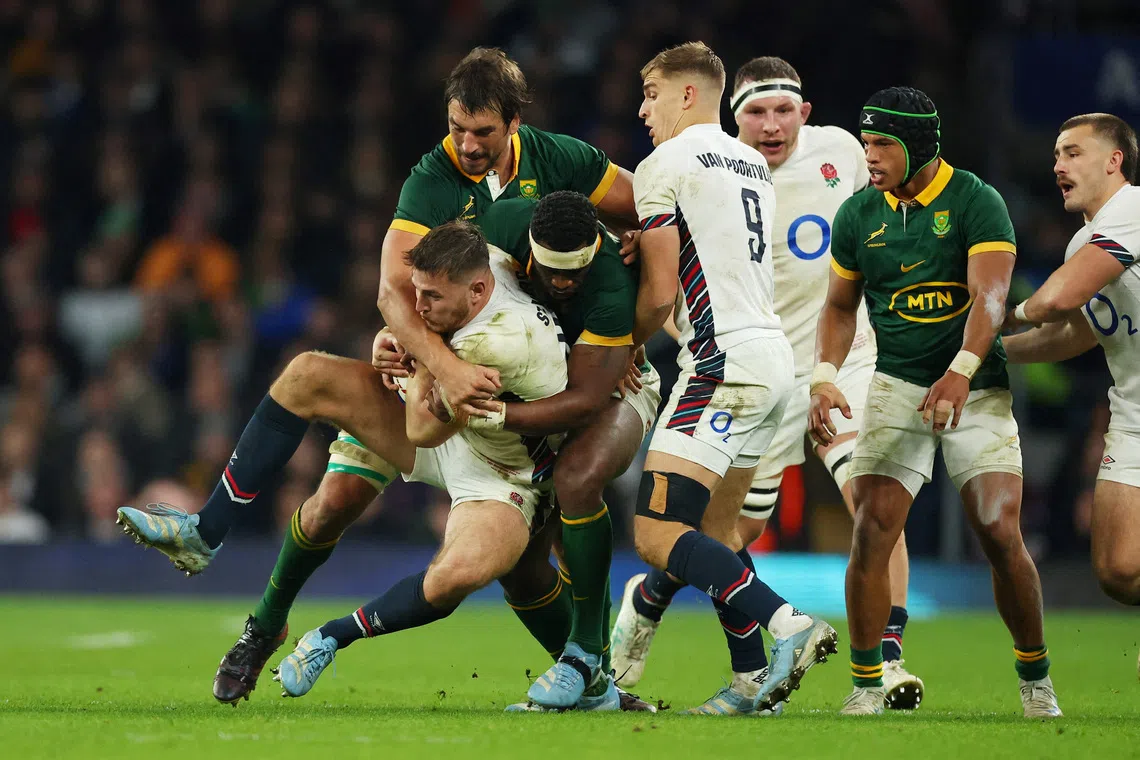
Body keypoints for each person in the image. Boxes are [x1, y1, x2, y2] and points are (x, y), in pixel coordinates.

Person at [114, 47, 648, 709]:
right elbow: (395, 292)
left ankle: (590, 677)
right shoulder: (434, 177)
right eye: (457, 128)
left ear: (515, 123)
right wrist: (431, 358)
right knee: (327, 475)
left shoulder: (559, 165)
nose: (467, 144)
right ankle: (241, 588)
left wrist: (639, 265)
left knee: (514, 567)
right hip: (443, 384)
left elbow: (649, 208)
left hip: (511, 432)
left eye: (482, 132)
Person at [611, 57, 923, 713]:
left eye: (784, 110)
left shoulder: (832, 153)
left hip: (832, 360)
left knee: (871, 499)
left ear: (806, 114)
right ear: (731, 114)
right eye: (756, 111)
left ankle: (877, 660)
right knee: (726, 534)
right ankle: (692, 627)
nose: (771, 124)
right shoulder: (733, 170)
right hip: (768, 363)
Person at [810, 86, 1061, 718]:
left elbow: (992, 299)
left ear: (917, 145)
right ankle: (867, 684)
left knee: (1000, 532)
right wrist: (824, 374)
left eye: (882, 144)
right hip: (897, 385)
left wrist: (961, 370)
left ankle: (1036, 678)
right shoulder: (858, 214)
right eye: (865, 143)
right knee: (871, 529)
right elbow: (839, 308)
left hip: (975, 389)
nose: (870, 156)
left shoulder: (976, 200)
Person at [626, 41, 837, 716]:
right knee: (718, 535)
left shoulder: (661, 164)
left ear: (689, 94)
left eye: (652, 92)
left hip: (720, 364)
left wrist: (622, 351)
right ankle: (753, 684)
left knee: (657, 534)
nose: (642, 108)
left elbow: (661, 295)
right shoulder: (750, 162)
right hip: (775, 360)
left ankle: (786, 624)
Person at [470, 191, 663, 709]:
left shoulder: (609, 282)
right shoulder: (499, 223)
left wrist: (499, 415)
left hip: (616, 390)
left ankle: (582, 655)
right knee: (522, 572)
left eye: (572, 272)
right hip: (544, 394)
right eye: (550, 271)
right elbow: (441, 278)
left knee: (577, 478)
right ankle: (597, 687)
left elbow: (585, 402)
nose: (561, 283)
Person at [1003, 115, 1140, 636]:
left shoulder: (1133, 209)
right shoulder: (1082, 243)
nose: (1059, 164)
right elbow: (1078, 332)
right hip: (1132, 413)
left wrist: (1000, 313)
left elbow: (1055, 300)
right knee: (1118, 569)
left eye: (1074, 153)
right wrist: (994, 351)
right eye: (1057, 154)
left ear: (1114, 161)